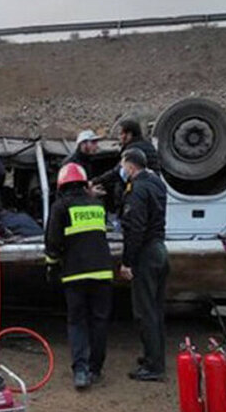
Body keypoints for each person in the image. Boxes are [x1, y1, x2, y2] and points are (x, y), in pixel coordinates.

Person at [45, 163, 114, 390]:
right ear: (84, 184)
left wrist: (51, 266)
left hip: (75, 274)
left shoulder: (60, 206)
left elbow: (53, 242)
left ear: (61, 185)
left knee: (77, 322)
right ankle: (96, 368)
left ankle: (81, 372)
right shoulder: (97, 204)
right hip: (103, 272)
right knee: (100, 321)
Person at [118, 148, 169, 382]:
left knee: (144, 311)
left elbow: (135, 228)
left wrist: (127, 261)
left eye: (122, 165)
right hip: (160, 250)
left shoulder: (137, 190)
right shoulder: (157, 183)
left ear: (130, 166)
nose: (122, 169)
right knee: (156, 309)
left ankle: (153, 366)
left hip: (146, 255)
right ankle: (155, 356)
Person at [92, 117, 160, 211]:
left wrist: (95, 181)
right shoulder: (148, 145)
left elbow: (118, 172)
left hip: (140, 194)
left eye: (121, 134)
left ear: (129, 135)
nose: (119, 137)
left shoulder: (132, 150)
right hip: (154, 192)